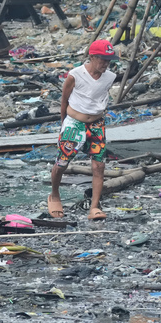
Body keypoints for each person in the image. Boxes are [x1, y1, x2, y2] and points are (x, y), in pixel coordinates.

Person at [48, 39, 117, 221]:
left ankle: (94, 206)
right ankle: (54, 194)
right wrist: (63, 124)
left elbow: (100, 96)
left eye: (108, 61)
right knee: (62, 162)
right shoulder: (75, 75)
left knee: (99, 165)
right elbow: (64, 100)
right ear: (92, 57)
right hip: (74, 122)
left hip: (96, 124)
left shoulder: (110, 77)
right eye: (102, 60)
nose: (105, 64)